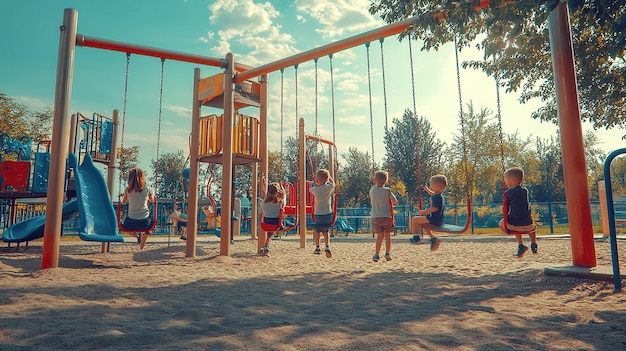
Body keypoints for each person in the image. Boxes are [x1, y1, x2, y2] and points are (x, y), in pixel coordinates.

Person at [499, 167, 537, 257]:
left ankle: (521, 245)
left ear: (513, 180)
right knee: (531, 223)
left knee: (502, 222)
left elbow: (505, 209)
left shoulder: (509, 193)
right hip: (529, 226)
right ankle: (534, 243)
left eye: (506, 181)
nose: (505, 183)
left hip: (515, 225)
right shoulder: (525, 191)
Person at [121, 168, 155, 250]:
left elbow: (124, 202)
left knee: (122, 226)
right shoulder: (148, 188)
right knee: (151, 227)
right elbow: (152, 200)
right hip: (144, 222)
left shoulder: (127, 190)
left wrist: (123, 196)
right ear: (142, 177)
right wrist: (150, 196)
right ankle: (142, 242)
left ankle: (135, 234)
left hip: (130, 223)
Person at [411, 174, 447, 251]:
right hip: (439, 220)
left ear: (437, 186)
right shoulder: (439, 196)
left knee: (414, 219)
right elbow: (432, 194)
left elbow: (435, 208)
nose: (430, 186)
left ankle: (416, 238)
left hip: (434, 219)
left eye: (431, 185)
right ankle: (434, 239)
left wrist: (424, 211)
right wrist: (426, 189)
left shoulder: (436, 197)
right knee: (425, 226)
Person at [369, 170, 399, 262]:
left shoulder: (372, 190)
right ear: (386, 181)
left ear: (374, 180)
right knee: (387, 236)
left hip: (375, 216)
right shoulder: (387, 191)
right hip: (387, 217)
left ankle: (376, 254)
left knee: (380, 236)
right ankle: (387, 253)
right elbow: (395, 201)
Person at [309, 168, 335, 258]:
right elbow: (333, 184)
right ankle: (327, 246)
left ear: (317, 180)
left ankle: (317, 247)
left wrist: (315, 184)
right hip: (328, 214)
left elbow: (310, 189)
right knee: (326, 231)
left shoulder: (315, 190)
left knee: (317, 231)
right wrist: (329, 178)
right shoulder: (329, 188)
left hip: (318, 214)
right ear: (327, 180)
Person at [258, 181, 286, 255]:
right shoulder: (280, 202)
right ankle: (283, 228)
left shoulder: (263, 202)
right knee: (291, 224)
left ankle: (266, 246)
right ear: (277, 192)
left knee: (270, 233)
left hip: (265, 223)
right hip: (277, 224)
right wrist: (282, 189)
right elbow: (284, 197)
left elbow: (260, 213)